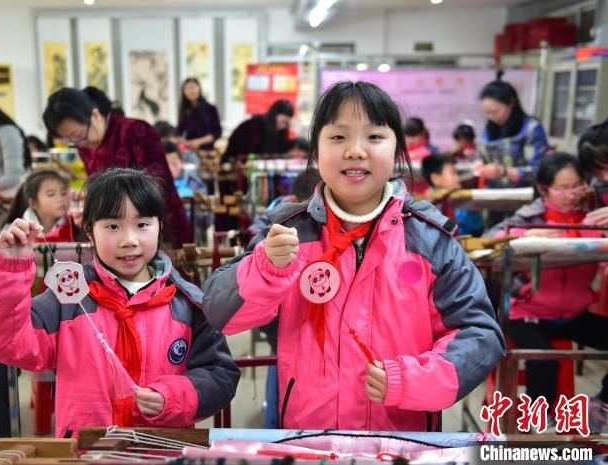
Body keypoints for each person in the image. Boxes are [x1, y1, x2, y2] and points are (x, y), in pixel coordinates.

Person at [202, 81, 504, 431]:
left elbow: (480, 332)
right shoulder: (288, 234)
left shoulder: (429, 240)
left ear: (397, 151)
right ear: (315, 152)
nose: (356, 151)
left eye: (374, 137)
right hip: (310, 439)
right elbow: (217, 312)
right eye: (338, 137)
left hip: (401, 440)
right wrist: (265, 271)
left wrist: (414, 380)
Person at [0, 168, 240, 437]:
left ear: (160, 226)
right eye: (112, 226)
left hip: (162, 450)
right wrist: (7, 271)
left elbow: (220, 375)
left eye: (142, 225)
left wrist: (173, 397)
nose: (129, 240)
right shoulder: (67, 300)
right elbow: (4, 342)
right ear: (89, 232)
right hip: (86, 452)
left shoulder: (187, 303)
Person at [485, 153, 608, 432]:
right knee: (545, 359)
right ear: (543, 189)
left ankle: (602, 403)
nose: (571, 195)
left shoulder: (593, 219)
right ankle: (540, 420)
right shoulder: (529, 218)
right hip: (528, 313)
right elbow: (491, 241)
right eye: (562, 188)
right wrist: (524, 237)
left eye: (577, 186)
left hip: (574, 314)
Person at [42, 87, 191, 246]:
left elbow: (159, 188)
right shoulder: (84, 146)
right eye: (72, 140)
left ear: (95, 115)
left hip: (155, 228)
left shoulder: (137, 132)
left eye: (80, 135)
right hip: (116, 231)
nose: (80, 143)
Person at [473, 71, 550, 188]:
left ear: (511, 102)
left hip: (525, 196)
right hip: (492, 196)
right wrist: (479, 163)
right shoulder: (488, 129)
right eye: (487, 113)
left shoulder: (531, 129)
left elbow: (540, 170)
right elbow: (481, 155)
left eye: (495, 111)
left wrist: (503, 171)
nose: (491, 117)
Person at [4, 169, 84, 243]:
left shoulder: (77, 225)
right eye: (51, 194)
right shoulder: (16, 231)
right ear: (33, 203)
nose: (61, 199)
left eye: (63, 193)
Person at [421, 154, 483, 236]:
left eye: (457, 174)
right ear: (436, 179)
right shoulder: (425, 205)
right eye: (453, 173)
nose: (457, 178)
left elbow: (475, 226)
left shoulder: (451, 198)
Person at [222, 99, 294, 163]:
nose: (283, 126)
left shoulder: (281, 133)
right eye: (282, 122)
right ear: (274, 116)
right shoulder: (254, 126)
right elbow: (243, 154)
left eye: (286, 123)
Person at [177, 78, 222, 152]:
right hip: (189, 150)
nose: (191, 91)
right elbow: (179, 131)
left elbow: (217, 132)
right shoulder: (184, 109)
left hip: (207, 151)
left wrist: (199, 142)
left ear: (199, 89)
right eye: (187, 88)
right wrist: (184, 142)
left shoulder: (210, 109)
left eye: (193, 87)